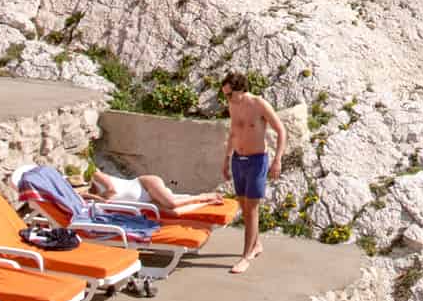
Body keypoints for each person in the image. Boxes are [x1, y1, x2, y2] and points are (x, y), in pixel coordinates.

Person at [218, 72, 287, 275]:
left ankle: (246, 257)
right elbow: (233, 133)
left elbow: (281, 130)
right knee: (244, 207)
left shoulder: (258, 104)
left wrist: (278, 159)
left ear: (240, 90)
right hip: (238, 160)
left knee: (252, 208)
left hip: (257, 161)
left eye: (230, 94)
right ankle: (256, 245)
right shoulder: (233, 105)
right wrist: (226, 160)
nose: (227, 99)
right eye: (225, 95)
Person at [89, 169, 229, 218]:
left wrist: (96, 197)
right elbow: (105, 203)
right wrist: (91, 197)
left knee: (172, 203)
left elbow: (111, 191)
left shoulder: (93, 174)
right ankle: (206, 202)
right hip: (143, 202)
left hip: (144, 184)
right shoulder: (85, 194)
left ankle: (203, 196)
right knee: (175, 213)